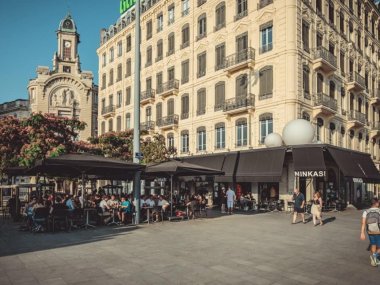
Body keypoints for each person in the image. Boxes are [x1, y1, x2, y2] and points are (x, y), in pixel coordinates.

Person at [360, 197, 380, 267]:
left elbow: (363, 223)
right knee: (379, 247)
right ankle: (375, 256)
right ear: (377, 203)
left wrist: (362, 233)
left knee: (373, 244)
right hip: (378, 231)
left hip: (370, 231)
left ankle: (373, 259)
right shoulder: (379, 211)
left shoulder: (366, 212)